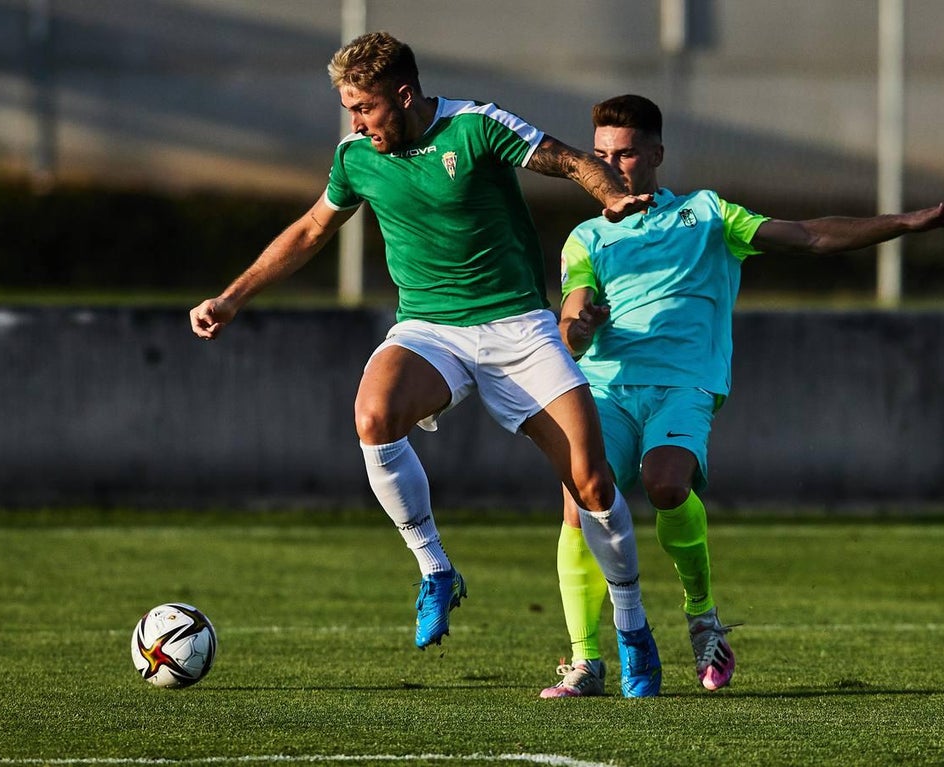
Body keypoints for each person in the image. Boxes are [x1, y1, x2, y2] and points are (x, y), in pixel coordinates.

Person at [190, 33, 665, 697]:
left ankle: (634, 627)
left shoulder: (476, 126)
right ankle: (436, 568)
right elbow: (308, 231)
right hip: (431, 329)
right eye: (349, 109)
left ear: (403, 95)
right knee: (373, 414)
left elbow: (566, 159)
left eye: (364, 108)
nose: (356, 122)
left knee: (592, 484)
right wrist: (232, 296)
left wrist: (606, 192)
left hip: (520, 327)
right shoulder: (356, 158)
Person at [541, 93, 944, 698]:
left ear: (658, 154)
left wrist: (902, 223)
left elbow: (809, 236)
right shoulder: (586, 236)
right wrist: (577, 329)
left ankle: (702, 616)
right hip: (607, 387)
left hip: (684, 384)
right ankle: (586, 663)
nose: (615, 166)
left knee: (667, 485)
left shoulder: (706, 214)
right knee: (579, 502)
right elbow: (574, 315)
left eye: (629, 153)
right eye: (603, 155)